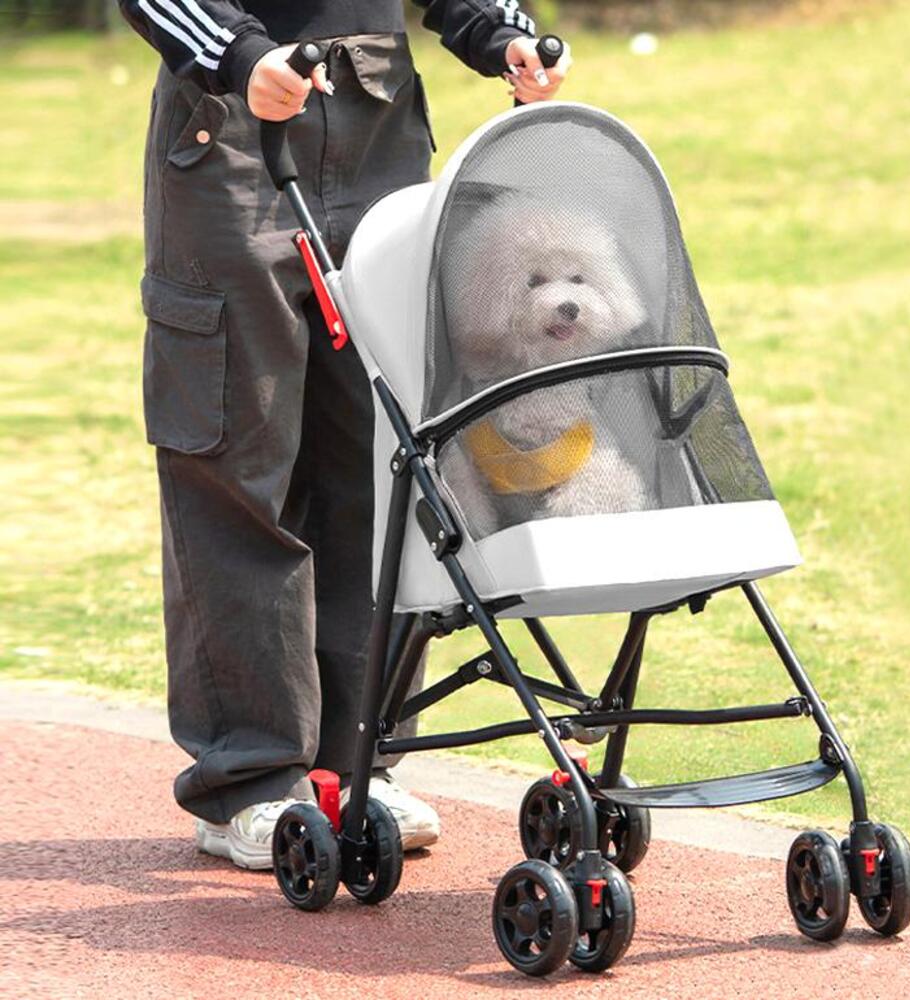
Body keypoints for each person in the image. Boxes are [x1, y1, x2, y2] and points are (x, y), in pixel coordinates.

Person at [118, 0, 570, 869]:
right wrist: (240, 53)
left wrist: (499, 31)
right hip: (233, 125)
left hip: (381, 130)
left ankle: (360, 760)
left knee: (378, 456)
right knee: (236, 458)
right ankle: (246, 779)